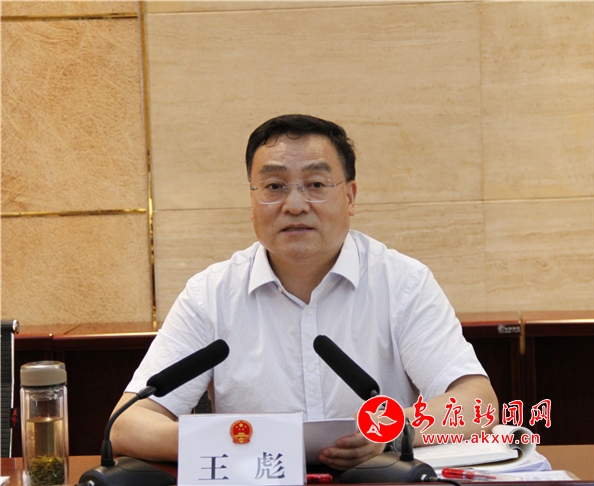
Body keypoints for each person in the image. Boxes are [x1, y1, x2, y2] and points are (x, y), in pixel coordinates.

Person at [111, 114, 498, 470]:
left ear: (350, 197)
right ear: (252, 202)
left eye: (315, 185)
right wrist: (232, 442)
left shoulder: (402, 282)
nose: (295, 205)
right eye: (274, 187)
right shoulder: (210, 295)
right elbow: (127, 423)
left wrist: (392, 430)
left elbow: (477, 403)